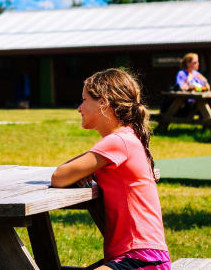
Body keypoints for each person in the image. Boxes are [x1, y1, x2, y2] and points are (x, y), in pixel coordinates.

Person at [51, 68, 170, 270]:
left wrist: (82, 171)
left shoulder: (117, 141)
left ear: (103, 102)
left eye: (84, 100)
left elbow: (59, 176)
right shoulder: (128, 137)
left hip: (141, 257)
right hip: (142, 255)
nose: (79, 108)